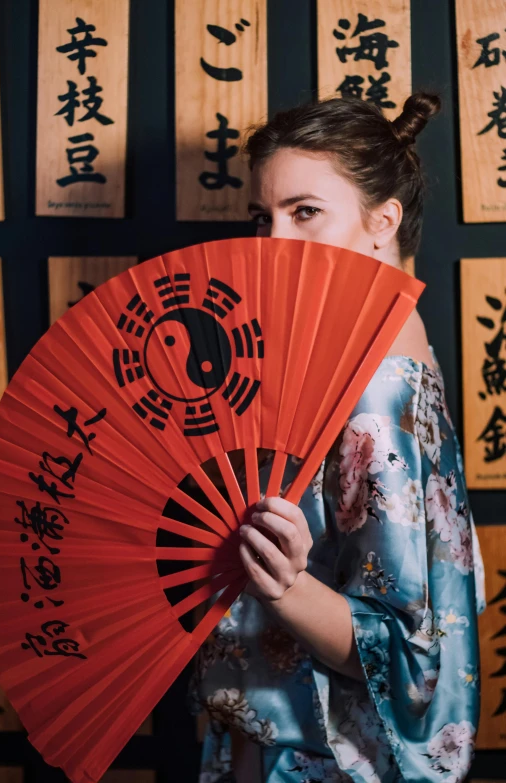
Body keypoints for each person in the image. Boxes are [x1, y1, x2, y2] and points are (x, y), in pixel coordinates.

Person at [188, 93, 487, 783]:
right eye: (264, 217)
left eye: (306, 212)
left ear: (383, 221)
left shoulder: (377, 383)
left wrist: (284, 584)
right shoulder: (357, 347)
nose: (275, 243)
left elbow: (405, 653)